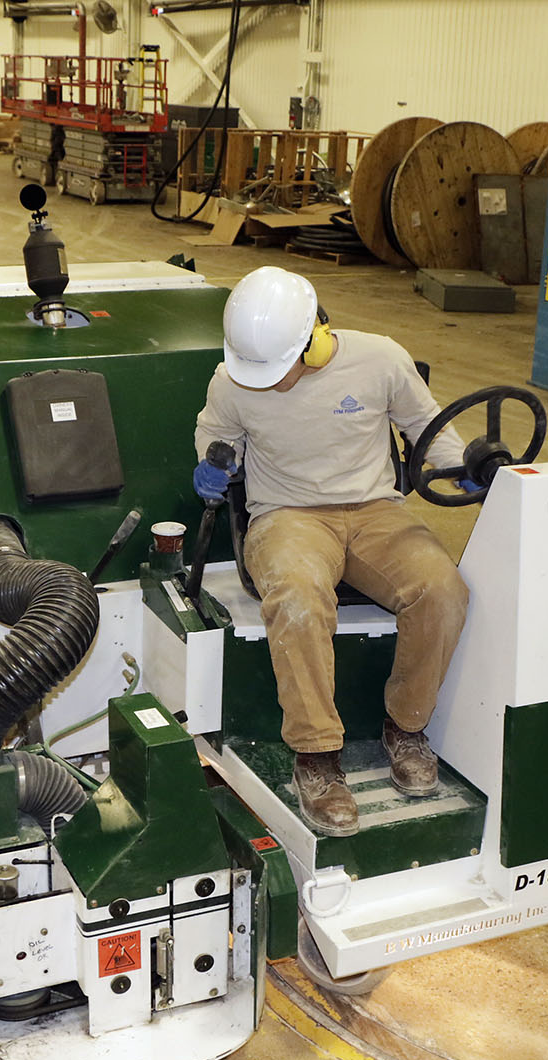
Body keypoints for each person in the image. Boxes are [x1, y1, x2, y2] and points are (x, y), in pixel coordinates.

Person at [193, 266, 473, 838]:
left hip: (374, 510)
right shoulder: (231, 380)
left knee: (442, 589)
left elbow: (427, 425)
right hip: (286, 516)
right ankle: (316, 756)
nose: (268, 381)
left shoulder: (380, 359)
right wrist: (215, 460)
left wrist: (463, 465)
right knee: (297, 596)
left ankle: (406, 727)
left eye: (279, 367)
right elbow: (216, 432)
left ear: (315, 339)